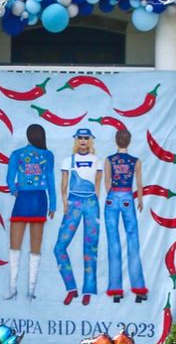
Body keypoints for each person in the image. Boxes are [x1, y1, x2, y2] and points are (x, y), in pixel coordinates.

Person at [53, 127, 103, 306]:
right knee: (59, 247)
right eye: (80, 138)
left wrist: (95, 203)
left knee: (91, 248)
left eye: (86, 138)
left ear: (90, 140)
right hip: (73, 203)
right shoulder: (68, 160)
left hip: (91, 204)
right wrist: (65, 203)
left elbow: (98, 185)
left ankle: (88, 290)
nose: (83, 141)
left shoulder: (96, 161)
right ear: (76, 140)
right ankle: (71, 288)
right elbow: (63, 185)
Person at [6, 123, 55, 300]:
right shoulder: (47, 155)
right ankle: (30, 290)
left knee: (15, 244)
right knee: (35, 246)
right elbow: (50, 181)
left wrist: (14, 189)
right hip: (40, 200)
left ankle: (13, 287)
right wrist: (53, 205)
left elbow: (10, 178)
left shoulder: (17, 154)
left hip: (23, 200)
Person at [104, 128, 147, 302]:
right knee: (133, 241)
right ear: (128, 141)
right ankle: (138, 288)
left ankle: (116, 290)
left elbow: (107, 182)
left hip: (113, 197)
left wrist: (112, 196)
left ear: (116, 140)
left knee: (113, 242)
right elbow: (139, 183)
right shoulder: (135, 161)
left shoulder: (109, 160)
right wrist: (141, 200)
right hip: (128, 197)